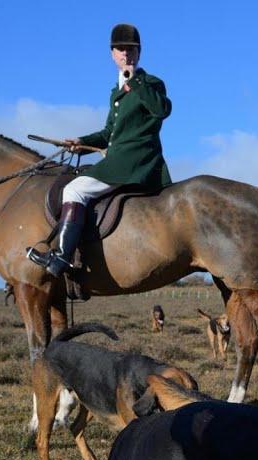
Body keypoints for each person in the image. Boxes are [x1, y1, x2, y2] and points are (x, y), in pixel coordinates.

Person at [27, 23, 173, 277]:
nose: (126, 54)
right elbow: (109, 133)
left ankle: (61, 258)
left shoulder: (151, 82)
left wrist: (135, 81)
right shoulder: (114, 92)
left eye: (131, 50)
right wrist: (80, 143)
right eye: (120, 50)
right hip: (118, 158)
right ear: (112, 54)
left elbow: (163, 110)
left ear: (139, 54)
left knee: (74, 189)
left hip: (136, 161)